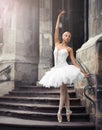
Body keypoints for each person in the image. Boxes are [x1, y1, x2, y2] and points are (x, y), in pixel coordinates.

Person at [39, 10, 89, 123]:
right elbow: (56, 30)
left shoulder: (69, 49)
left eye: (69, 36)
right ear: (62, 36)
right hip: (56, 70)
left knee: (63, 92)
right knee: (65, 92)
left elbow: (74, 62)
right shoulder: (56, 43)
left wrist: (83, 72)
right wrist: (58, 17)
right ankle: (68, 111)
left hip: (65, 69)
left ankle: (59, 112)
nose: (67, 37)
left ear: (69, 39)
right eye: (66, 35)